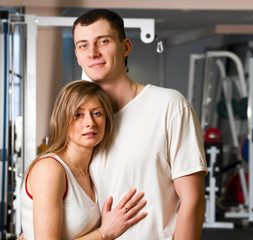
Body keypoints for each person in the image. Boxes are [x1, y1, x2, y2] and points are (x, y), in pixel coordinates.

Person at [73, 9, 207, 239]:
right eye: (83, 45)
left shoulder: (169, 105)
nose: (93, 53)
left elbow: (192, 200)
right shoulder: (79, 121)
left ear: (126, 47)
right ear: (77, 54)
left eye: (102, 41)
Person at [20, 80, 147, 239]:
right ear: (62, 119)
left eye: (97, 113)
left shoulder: (93, 168)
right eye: (78, 115)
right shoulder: (50, 169)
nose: (90, 123)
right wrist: (104, 232)